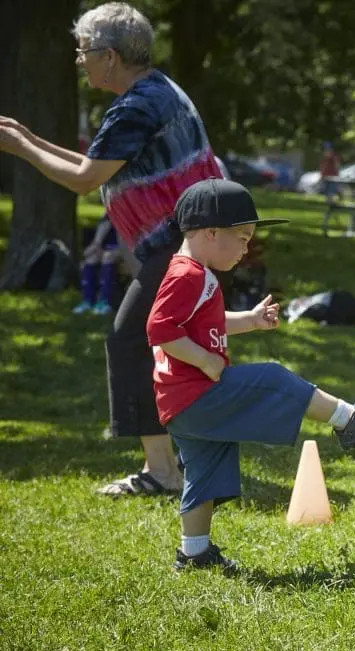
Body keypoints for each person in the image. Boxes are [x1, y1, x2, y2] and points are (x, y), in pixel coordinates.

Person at [0, 3, 223, 497]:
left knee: (132, 341)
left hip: (179, 242)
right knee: (160, 343)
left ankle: (163, 471)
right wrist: (28, 136)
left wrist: (19, 150)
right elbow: (96, 163)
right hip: (192, 238)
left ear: (110, 55)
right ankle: (180, 459)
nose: (79, 60)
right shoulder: (153, 91)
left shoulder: (137, 106)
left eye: (83, 51)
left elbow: (84, 180)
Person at [148, 179, 355, 571]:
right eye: (242, 237)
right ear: (210, 232)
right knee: (273, 379)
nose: (246, 248)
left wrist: (249, 321)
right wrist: (204, 361)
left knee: (204, 470)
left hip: (181, 405)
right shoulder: (189, 275)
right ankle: (351, 420)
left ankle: (194, 553)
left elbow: (206, 322)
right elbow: (159, 329)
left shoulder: (194, 274)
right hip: (196, 393)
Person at [74, 213, 121, 315]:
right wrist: (96, 244)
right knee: (91, 258)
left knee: (108, 257)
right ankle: (88, 301)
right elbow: (105, 224)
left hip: (127, 248)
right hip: (108, 246)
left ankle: (104, 302)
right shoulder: (111, 211)